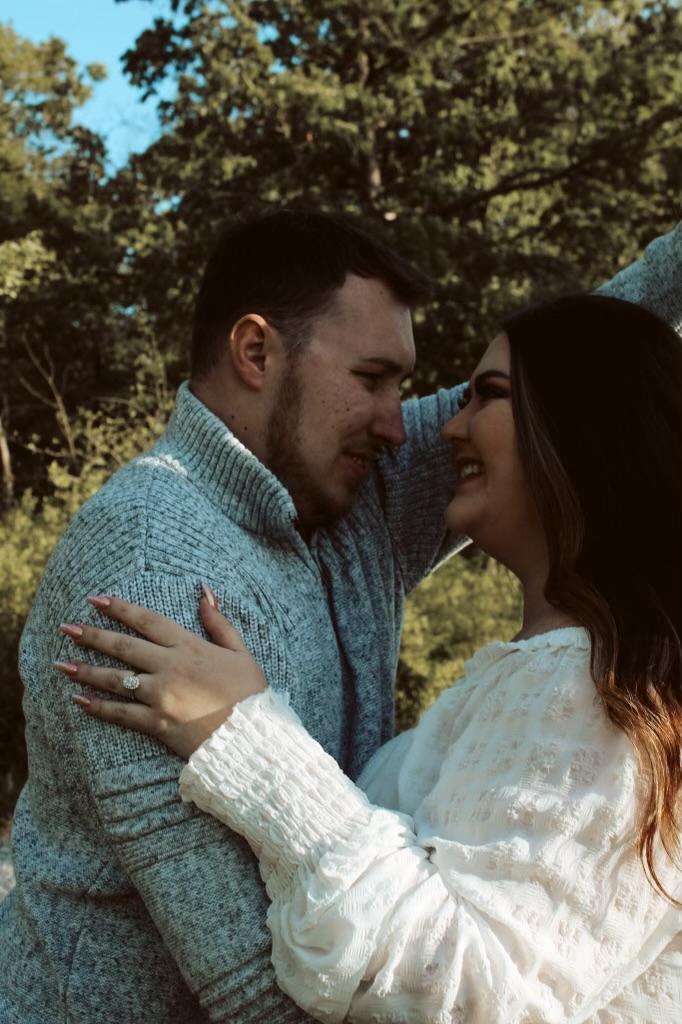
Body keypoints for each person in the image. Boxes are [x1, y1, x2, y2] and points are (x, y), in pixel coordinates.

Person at [0, 212, 678, 1024]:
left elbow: (591, 383)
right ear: (257, 353)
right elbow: (255, 990)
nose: (406, 424)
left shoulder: (360, 488)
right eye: (373, 377)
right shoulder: (154, 569)